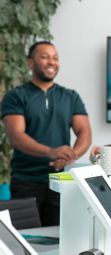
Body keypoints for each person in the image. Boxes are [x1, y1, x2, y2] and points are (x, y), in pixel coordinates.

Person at [1, 41, 92, 226]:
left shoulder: (70, 96)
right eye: (44, 57)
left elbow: (84, 133)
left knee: (59, 240)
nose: (51, 62)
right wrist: (51, 152)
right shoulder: (16, 96)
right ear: (30, 62)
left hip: (60, 181)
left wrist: (71, 155)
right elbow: (17, 137)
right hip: (26, 182)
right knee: (26, 241)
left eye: (55, 58)